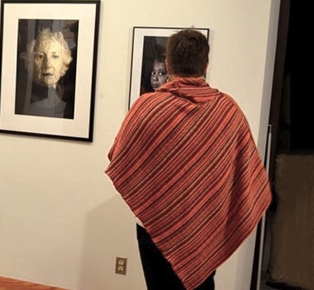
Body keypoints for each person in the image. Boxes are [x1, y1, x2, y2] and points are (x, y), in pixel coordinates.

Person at [106, 28, 272, 290]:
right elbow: (246, 171)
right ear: (205, 65)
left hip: (155, 224)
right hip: (205, 226)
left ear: (169, 65)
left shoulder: (146, 107)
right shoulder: (227, 110)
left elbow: (119, 156)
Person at [19, 27, 75, 118]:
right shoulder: (22, 99)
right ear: (30, 60)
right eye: (40, 56)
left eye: (55, 56)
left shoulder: (69, 105)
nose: (48, 64)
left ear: (64, 61)